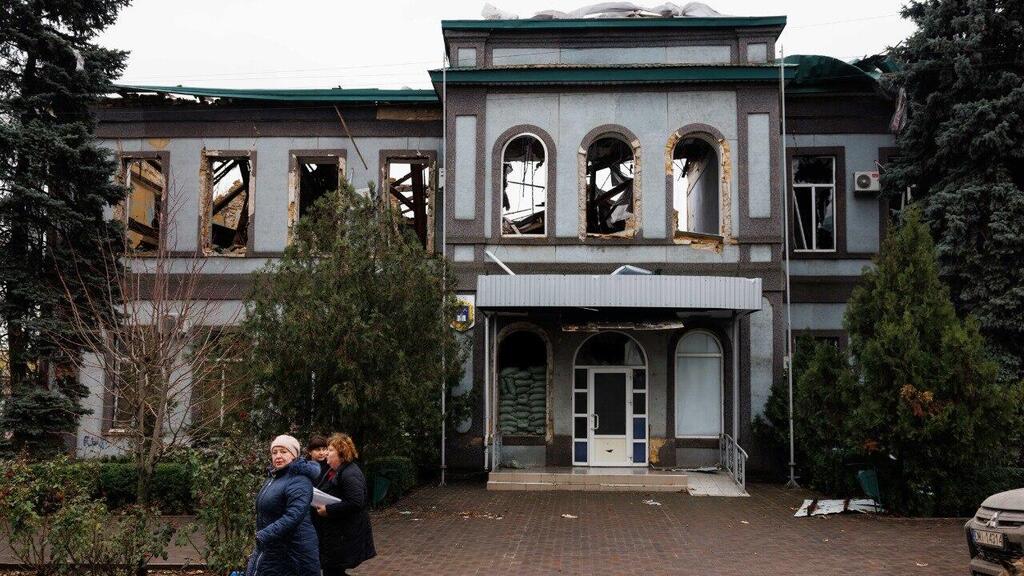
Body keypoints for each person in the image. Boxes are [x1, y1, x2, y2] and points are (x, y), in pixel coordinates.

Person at [251, 434, 322, 576]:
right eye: (274, 452)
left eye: (283, 452)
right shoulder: (275, 477)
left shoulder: (299, 480)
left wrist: (265, 534)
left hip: (295, 552)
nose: (278, 456)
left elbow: (294, 515)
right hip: (274, 546)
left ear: (294, 455)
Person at [312, 433, 376, 576]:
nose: (326, 453)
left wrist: (328, 509)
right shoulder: (333, 470)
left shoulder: (349, 473)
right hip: (335, 533)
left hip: (344, 533)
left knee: (332, 570)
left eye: (330, 449)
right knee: (332, 570)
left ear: (341, 453)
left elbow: (356, 502)